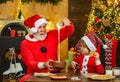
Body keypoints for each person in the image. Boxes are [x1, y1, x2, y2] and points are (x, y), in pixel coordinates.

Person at [20, 14, 74, 82]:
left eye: (44, 27)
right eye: (39, 27)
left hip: (54, 74)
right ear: (33, 29)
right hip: (34, 75)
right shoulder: (25, 43)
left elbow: (69, 31)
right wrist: (44, 64)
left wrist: (68, 23)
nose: (43, 30)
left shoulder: (52, 35)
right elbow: (30, 63)